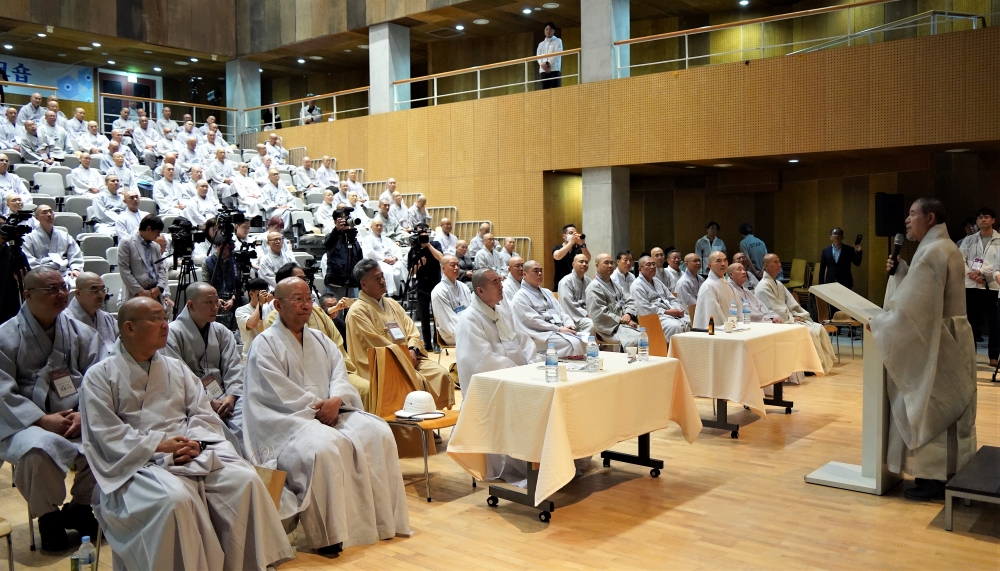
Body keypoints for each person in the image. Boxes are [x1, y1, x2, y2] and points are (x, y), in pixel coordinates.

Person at [80, 297, 293, 569]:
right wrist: (159, 445)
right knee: (175, 499)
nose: (164, 324)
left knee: (245, 480)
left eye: (164, 317)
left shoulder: (175, 367)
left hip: (190, 451)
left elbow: (202, 413)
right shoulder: (100, 376)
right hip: (136, 465)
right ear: (129, 328)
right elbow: (105, 434)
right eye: (155, 318)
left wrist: (198, 444)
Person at [243, 277, 411, 553]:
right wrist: (322, 406)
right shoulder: (265, 344)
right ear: (277, 304)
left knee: (378, 432)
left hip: (333, 410)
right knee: (324, 449)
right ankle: (330, 535)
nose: (305, 305)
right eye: (297, 299)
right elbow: (276, 392)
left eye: (308, 298)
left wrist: (337, 399)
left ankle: (382, 520)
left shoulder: (321, 339)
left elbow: (339, 373)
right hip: (288, 422)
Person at [871, 197, 977, 501]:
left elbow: (914, 308)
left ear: (930, 218)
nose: (907, 220)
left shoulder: (932, 251)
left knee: (932, 405)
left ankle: (934, 478)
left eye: (912, 214)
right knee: (951, 405)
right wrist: (903, 270)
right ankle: (952, 471)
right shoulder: (944, 247)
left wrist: (881, 323)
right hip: (953, 333)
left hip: (939, 339)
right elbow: (925, 292)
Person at [0, 267, 100, 551]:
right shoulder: (5, 336)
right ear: (28, 294)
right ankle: (48, 516)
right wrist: (41, 419)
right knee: (37, 452)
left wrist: (85, 413)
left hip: (76, 417)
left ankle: (80, 508)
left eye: (62, 287)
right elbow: (1, 392)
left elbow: (98, 378)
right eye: (51, 289)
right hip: (26, 422)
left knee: (107, 439)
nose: (60, 294)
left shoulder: (80, 332)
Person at [454, 269, 540, 486]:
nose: (501, 284)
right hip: (492, 392)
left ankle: (542, 457)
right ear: (480, 290)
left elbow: (522, 341)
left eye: (500, 280)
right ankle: (527, 462)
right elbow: (481, 362)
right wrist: (518, 372)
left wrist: (532, 364)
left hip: (518, 380)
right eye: (495, 282)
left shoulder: (500, 311)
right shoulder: (469, 319)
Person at [346, 259, 455, 409]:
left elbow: (412, 331)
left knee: (440, 373)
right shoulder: (357, 312)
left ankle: (431, 420)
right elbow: (374, 344)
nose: (383, 281)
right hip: (384, 366)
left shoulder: (392, 303)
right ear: (363, 284)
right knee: (415, 381)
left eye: (382, 276)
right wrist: (405, 356)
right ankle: (414, 427)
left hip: (411, 357)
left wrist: (413, 349)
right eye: (377, 278)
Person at [260, 264, 369, 401]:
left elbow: (338, 347)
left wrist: (342, 376)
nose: (304, 283)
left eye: (305, 279)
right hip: (299, 381)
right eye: (299, 279)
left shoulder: (317, 311)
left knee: (366, 388)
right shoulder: (273, 318)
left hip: (333, 374)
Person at [164, 283, 244, 449]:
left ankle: (259, 463)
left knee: (248, 417)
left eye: (217, 302)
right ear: (191, 305)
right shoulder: (172, 333)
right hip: (194, 400)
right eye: (208, 302)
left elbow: (234, 367)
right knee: (216, 433)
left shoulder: (222, 331)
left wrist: (232, 395)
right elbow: (178, 377)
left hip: (227, 395)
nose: (215, 307)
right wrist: (207, 400)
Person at [756, 254, 836, 375]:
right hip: (778, 322)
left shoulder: (778, 283)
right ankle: (808, 366)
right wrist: (792, 318)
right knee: (809, 332)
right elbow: (774, 309)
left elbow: (791, 302)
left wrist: (798, 314)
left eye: (779, 261)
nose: (780, 265)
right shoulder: (762, 286)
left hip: (789, 318)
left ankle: (819, 364)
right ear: (766, 266)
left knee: (818, 328)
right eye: (775, 262)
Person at [512, 260, 586, 357]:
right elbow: (533, 321)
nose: (539, 274)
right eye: (535, 271)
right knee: (574, 343)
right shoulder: (520, 297)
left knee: (586, 340)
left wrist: (568, 324)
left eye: (540, 271)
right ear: (525, 274)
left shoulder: (547, 292)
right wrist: (558, 329)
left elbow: (561, 312)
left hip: (558, 330)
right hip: (539, 335)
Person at [959, 207, 1000, 364]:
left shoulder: (998, 240)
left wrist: (980, 272)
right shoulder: (968, 240)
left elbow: (997, 264)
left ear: (993, 220)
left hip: (991, 285)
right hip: (971, 285)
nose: (983, 220)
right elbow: (960, 259)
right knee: (970, 322)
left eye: (986, 217)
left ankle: (994, 356)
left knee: (994, 322)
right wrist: (971, 273)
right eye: (980, 218)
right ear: (976, 221)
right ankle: (971, 355)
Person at [586, 253, 640, 348]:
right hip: (610, 328)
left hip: (625, 322)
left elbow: (630, 300)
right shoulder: (594, 287)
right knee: (638, 339)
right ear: (597, 266)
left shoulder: (616, 285)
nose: (610, 265)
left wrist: (628, 314)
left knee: (651, 333)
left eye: (611, 263)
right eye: (606, 263)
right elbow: (600, 314)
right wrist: (622, 320)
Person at [630, 255, 689, 342]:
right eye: (648, 264)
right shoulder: (637, 286)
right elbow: (644, 309)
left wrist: (677, 309)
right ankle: (673, 353)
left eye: (653, 264)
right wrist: (667, 312)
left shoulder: (656, 281)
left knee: (689, 321)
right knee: (675, 326)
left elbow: (671, 298)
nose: (652, 267)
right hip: (654, 317)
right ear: (640, 269)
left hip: (670, 311)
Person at [23, 205, 83, 286]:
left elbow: (75, 254)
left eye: (50, 211)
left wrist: (75, 268)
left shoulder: (64, 235)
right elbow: (28, 259)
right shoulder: (29, 237)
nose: (49, 214)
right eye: (44, 212)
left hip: (64, 272)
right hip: (41, 273)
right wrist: (42, 272)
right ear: (36, 218)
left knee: (78, 284)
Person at [118, 214, 169, 307]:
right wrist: (140, 291)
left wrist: (159, 288)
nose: (158, 235)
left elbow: (162, 269)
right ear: (148, 229)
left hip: (155, 294)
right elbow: (124, 271)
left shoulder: (156, 246)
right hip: (134, 294)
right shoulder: (126, 243)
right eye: (157, 232)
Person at [407, 223, 443, 348]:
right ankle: (427, 343)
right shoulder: (413, 250)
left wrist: (428, 245)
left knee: (437, 316)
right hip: (422, 287)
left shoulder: (436, 244)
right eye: (420, 233)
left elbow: (441, 258)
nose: (423, 235)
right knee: (424, 317)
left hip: (436, 286)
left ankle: (437, 342)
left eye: (425, 233)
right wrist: (419, 265)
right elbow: (411, 272)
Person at [68, 272, 119, 360]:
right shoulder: (65, 321)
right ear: (78, 294)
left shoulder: (108, 318)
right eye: (94, 291)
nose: (100, 295)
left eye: (103, 290)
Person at [431, 255, 473, 346]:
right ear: (443, 268)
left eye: (458, 265)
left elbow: (473, 310)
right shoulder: (439, 291)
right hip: (452, 333)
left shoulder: (464, 286)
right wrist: (469, 332)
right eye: (453, 265)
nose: (457, 268)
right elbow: (447, 321)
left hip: (469, 327)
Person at [324, 207, 364, 298]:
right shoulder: (332, 237)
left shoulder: (353, 240)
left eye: (347, 218)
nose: (346, 222)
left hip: (352, 283)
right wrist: (337, 229)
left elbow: (359, 260)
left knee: (352, 312)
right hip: (336, 283)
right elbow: (328, 244)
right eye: (343, 219)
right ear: (335, 222)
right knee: (336, 311)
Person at [363, 218, 407, 297]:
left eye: (381, 225)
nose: (379, 227)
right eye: (377, 225)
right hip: (378, 261)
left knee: (401, 266)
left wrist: (395, 258)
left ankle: (402, 292)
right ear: (371, 227)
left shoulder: (386, 239)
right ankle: (389, 293)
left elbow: (396, 249)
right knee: (386, 270)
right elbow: (370, 253)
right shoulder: (368, 239)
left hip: (391, 261)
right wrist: (384, 259)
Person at [693, 251, 734, 329]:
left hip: (730, 326)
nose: (723, 264)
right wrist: (729, 327)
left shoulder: (728, 284)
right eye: (718, 261)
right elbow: (713, 316)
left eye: (725, 260)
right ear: (709, 265)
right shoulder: (708, 286)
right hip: (715, 331)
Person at [558, 253, 595, 335]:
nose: (584, 264)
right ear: (573, 264)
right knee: (590, 324)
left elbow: (593, 300)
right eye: (581, 262)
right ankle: (583, 345)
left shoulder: (588, 281)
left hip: (585, 315)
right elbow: (567, 303)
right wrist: (586, 314)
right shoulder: (566, 281)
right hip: (570, 315)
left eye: (586, 262)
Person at [235, 278, 269, 358]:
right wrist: (260, 304)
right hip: (251, 356)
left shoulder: (270, 308)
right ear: (251, 294)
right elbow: (251, 324)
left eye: (265, 294)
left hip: (269, 355)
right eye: (259, 295)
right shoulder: (241, 310)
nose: (263, 297)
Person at [201, 241, 239, 309]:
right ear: (216, 246)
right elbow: (205, 284)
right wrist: (216, 299)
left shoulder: (236, 261)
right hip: (214, 296)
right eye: (221, 248)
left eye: (226, 248)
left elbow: (242, 285)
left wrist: (233, 299)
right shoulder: (207, 262)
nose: (223, 251)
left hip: (234, 296)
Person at [551, 223, 590, 289]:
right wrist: (571, 242)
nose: (574, 235)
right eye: (571, 233)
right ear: (564, 236)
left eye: (575, 233)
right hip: (560, 284)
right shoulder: (558, 247)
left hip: (576, 284)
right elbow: (557, 256)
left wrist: (582, 244)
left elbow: (587, 259)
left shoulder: (578, 249)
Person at [536, 22, 563, 89]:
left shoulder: (558, 41)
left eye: (550, 29)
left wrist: (548, 63)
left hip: (554, 69)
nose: (548, 31)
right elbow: (538, 56)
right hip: (543, 70)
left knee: (555, 90)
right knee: (545, 91)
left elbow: (558, 53)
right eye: (546, 29)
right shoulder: (541, 44)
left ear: (553, 31)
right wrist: (542, 65)